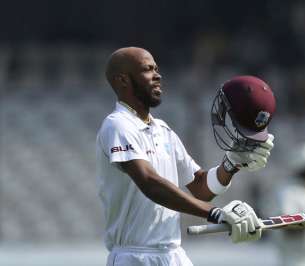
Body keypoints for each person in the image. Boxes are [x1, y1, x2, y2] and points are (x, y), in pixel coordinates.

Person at [96, 47, 276, 266]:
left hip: (174, 255)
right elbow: (149, 182)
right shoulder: (117, 125)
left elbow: (200, 187)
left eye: (157, 69)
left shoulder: (163, 130)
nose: (157, 75)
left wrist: (231, 164)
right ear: (123, 80)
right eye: (147, 69)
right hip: (134, 257)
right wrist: (215, 213)